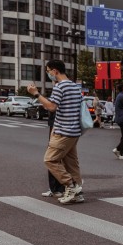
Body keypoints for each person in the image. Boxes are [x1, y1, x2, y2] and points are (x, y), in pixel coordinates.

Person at [26, 60, 84, 204]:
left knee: (50, 159)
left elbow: (52, 107)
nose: (48, 73)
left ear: (55, 71)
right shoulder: (75, 86)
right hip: (74, 131)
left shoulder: (60, 87)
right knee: (71, 163)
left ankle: (71, 186)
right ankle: (78, 194)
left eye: (48, 71)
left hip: (63, 131)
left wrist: (36, 94)